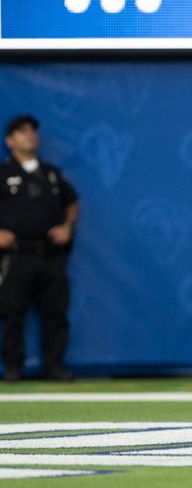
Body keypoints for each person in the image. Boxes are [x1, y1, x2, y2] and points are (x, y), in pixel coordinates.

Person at [0, 115, 79, 381]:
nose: (29, 135)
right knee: (12, 312)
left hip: (50, 253)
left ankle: (55, 366)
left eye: (33, 131)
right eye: (21, 132)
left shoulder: (51, 174)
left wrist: (67, 226)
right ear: (9, 141)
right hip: (16, 253)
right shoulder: (2, 174)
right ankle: (13, 368)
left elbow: (71, 202)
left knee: (56, 311)